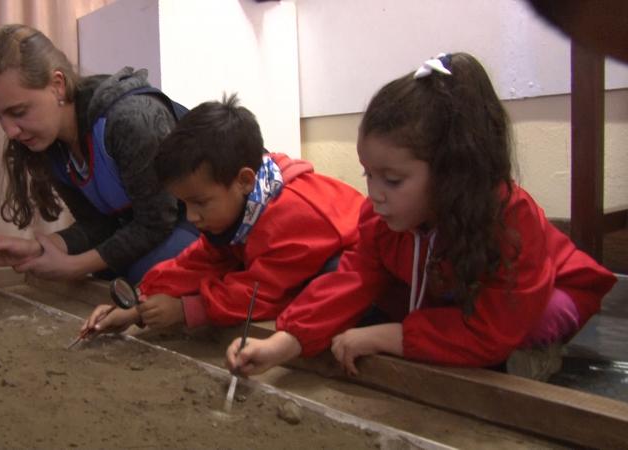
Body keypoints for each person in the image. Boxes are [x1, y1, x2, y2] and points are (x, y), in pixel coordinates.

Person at [226, 53, 617, 378]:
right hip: (458, 293)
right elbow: (353, 278)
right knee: (386, 306)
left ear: (451, 171)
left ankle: (537, 351)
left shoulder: (510, 220)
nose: (373, 193)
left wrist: (385, 336)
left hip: (548, 292)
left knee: (522, 329)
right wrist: (282, 342)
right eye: (368, 174)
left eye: (392, 180)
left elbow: (492, 329)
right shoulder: (381, 218)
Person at [81, 94, 364, 336]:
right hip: (289, 265)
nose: (191, 217)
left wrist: (186, 310)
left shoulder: (293, 216)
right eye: (185, 204)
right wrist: (137, 301)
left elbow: (260, 293)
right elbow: (198, 261)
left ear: (243, 180)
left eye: (200, 203)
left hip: (368, 280)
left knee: (324, 280)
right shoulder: (245, 206)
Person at [0, 24, 198, 285]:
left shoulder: (130, 119)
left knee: (144, 276)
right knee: (106, 273)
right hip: (157, 223)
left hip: (206, 218)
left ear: (57, 85)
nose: (9, 131)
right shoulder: (52, 144)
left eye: (18, 112)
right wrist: (41, 247)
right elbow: (99, 225)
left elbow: (157, 220)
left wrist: (76, 266)